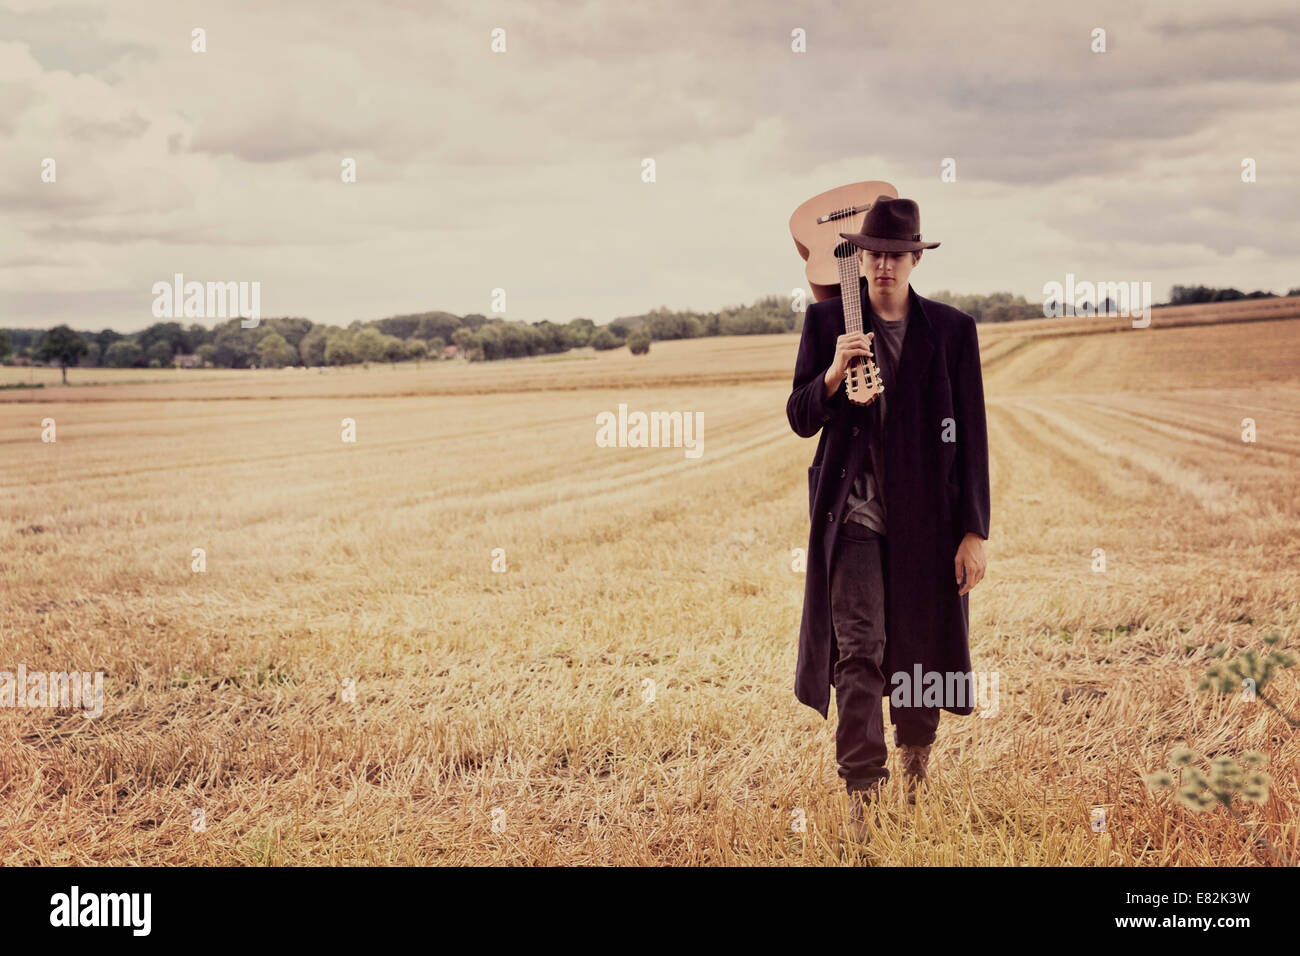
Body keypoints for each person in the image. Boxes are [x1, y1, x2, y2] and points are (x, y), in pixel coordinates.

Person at [785, 196, 990, 838]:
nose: (884, 265)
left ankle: (916, 766)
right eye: (874, 253)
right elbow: (798, 417)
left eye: (897, 255)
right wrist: (832, 375)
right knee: (859, 653)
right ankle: (862, 800)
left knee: (919, 650)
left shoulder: (953, 332)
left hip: (928, 521)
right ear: (860, 258)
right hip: (853, 517)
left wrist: (974, 530)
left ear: (914, 259)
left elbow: (975, 434)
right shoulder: (827, 325)